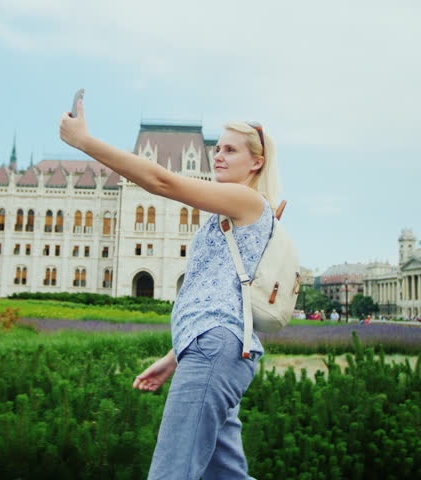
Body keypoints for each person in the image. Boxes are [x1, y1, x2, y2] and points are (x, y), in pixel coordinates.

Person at [61, 99, 278, 479]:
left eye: (230, 150)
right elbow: (219, 299)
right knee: (224, 475)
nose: (219, 157)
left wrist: (86, 142)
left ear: (256, 162)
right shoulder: (227, 213)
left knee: (170, 473)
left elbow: (163, 182)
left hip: (214, 354)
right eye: (217, 149)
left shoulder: (246, 201)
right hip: (212, 350)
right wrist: (175, 355)